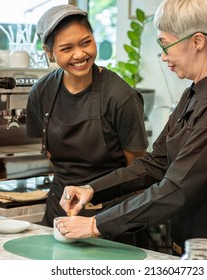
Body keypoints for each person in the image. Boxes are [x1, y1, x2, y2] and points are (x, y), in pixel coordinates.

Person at [57, 0, 207, 260]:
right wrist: (93, 189)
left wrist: (95, 225)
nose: (163, 55)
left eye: (164, 44)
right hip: (190, 246)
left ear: (197, 41)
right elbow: (155, 164)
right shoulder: (194, 94)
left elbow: (177, 188)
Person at [26, 5, 148, 227]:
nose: (80, 54)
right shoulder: (41, 92)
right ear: (48, 51)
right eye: (66, 48)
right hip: (59, 212)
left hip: (109, 217)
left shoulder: (120, 97)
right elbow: (52, 157)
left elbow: (137, 171)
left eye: (85, 43)